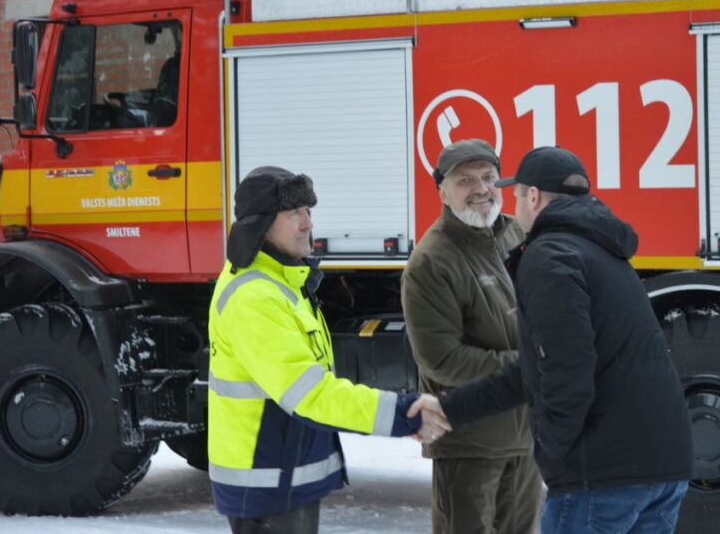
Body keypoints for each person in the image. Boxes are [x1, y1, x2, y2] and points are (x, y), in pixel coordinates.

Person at [415, 146, 694, 534]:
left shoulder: (549, 256)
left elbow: (565, 369)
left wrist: (554, 454)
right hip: (664, 465)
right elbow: (538, 365)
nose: (512, 203)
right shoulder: (600, 247)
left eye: (515, 193)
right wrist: (452, 409)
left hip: (602, 476)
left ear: (533, 196)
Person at [208, 166, 450, 534]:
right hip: (267, 488)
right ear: (261, 225)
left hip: (282, 477)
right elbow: (312, 395)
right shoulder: (255, 298)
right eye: (295, 213)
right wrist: (402, 413)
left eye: (308, 211)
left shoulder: (283, 282)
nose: (308, 223)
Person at [402, 139, 542, 534]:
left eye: (488, 177)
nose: (480, 189)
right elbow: (442, 360)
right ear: (442, 193)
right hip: (469, 444)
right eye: (465, 180)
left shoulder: (517, 233)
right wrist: (532, 368)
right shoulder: (431, 261)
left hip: (527, 437)